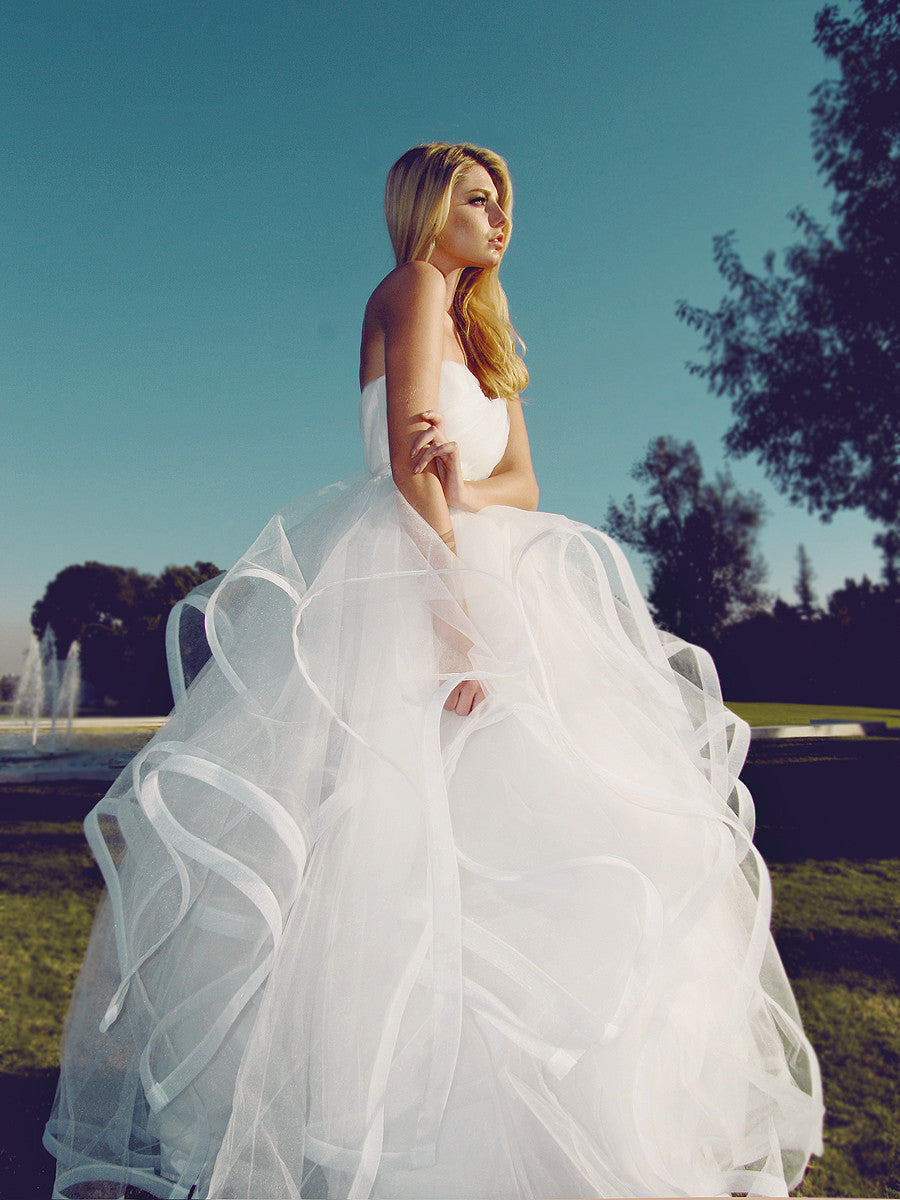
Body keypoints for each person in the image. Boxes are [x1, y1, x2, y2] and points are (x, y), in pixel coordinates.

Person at [45, 142, 824, 1200]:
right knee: (402, 852)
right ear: (424, 206)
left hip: (491, 571)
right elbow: (412, 476)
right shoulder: (411, 286)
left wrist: (473, 500)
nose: (498, 216)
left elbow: (522, 478)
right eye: (475, 197)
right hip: (410, 586)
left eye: (503, 201)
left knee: (545, 837)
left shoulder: (486, 333)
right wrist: (460, 618)